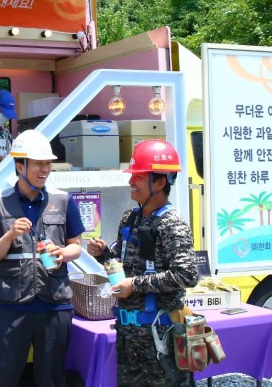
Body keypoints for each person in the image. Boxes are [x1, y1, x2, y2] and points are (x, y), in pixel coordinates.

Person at [86, 139, 199, 387]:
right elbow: (125, 267)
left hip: (160, 338)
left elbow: (187, 274)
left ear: (159, 182)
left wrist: (135, 285)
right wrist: (103, 255)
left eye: (138, 176)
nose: (130, 182)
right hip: (128, 337)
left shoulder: (172, 224)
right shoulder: (130, 218)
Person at [0, 130, 84, 387]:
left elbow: (77, 247)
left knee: (51, 379)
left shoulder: (63, 200)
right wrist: (9, 234)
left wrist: (62, 253)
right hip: (11, 306)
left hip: (54, 305)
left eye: (48, 163)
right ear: (20, 166)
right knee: (3, 378)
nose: (45, 169)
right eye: (38, 163)